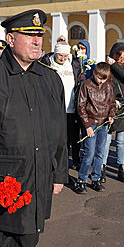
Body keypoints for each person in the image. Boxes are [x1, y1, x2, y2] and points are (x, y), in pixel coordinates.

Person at [0, 9, 67, 247]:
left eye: (39, 35)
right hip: (2, 182)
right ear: (10, 39)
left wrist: (59, 172)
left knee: (27, 246)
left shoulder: (50, 79)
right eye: (29, 35)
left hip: (38, 179)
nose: (37, 41)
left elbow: (59, 131)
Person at [40, 38, 81, 170]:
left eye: (65, 56)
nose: (63, 59)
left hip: (71, 108)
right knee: (57, 139)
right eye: (60, 56)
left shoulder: (73, 64)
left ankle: (75, 161)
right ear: (55, 53)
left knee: (73, 137)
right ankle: (55, 163)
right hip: (54, 110)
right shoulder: (47, 63)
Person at [75, 62, 115, 194]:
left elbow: (112, 103)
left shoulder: (108, 85)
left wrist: (111, 115)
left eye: (104, 78)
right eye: (99, 78)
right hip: (91, 123)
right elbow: (81, 107)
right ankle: (81, 179)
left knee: (100, 152)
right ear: (94, 73)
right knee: (89, 153)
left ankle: (96, 178)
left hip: (103, 123)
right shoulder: (86, 85)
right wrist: (87, 126)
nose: (101, 81)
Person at [102, 42, 124, 183]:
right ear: (114, 55)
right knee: (106, 141)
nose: (122, 60)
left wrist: (114, 64)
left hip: (123, 108)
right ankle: (101, 168)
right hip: (109, 107)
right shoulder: (107, 68)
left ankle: (122, 168)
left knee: (121, 142)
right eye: (119, 57)